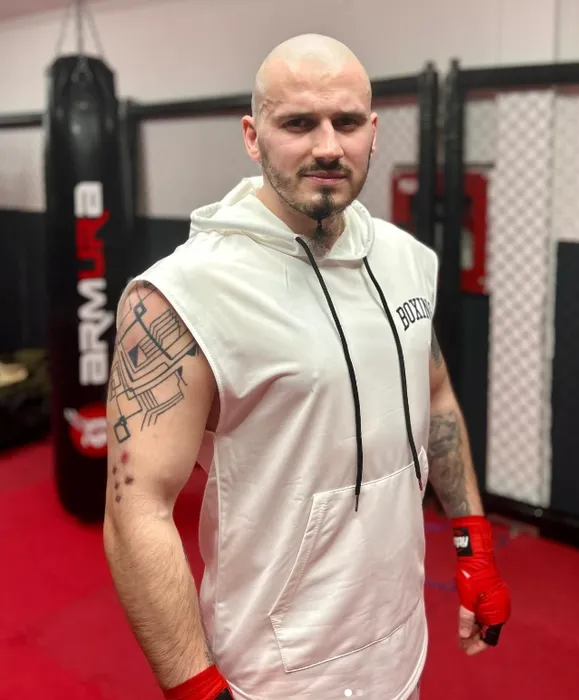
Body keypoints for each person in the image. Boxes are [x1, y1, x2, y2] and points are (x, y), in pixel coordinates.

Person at [103, 33, 511, 700]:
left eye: (346, 122)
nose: (328, 146)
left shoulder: (405, 260)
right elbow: (137, 512)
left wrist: (474, 544)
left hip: (400, 646)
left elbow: (434, 394)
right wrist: (195, 689)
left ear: (373, 131)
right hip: (273, 675)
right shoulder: (182, 295)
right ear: (252, 135)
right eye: (298, 123)